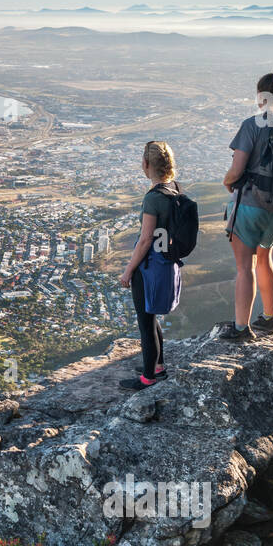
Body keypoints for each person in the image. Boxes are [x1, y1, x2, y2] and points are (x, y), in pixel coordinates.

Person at [219, 67, 273, 341]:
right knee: (265, 259)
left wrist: (228, 182)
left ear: (261, 95)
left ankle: (240, 328)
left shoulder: (252, 125)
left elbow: (236, 171)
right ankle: (270, 318)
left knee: (243, 267)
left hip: (250, 204)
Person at [118, 141, 180, 389]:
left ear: (146, 165)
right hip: (166, 263)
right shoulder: (175, 190)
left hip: (148, 266)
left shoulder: (153, 198)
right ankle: (157, 366)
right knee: (152, 316)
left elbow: (145, 240)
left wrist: (128, 270)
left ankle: (147, 378)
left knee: (145, 321)